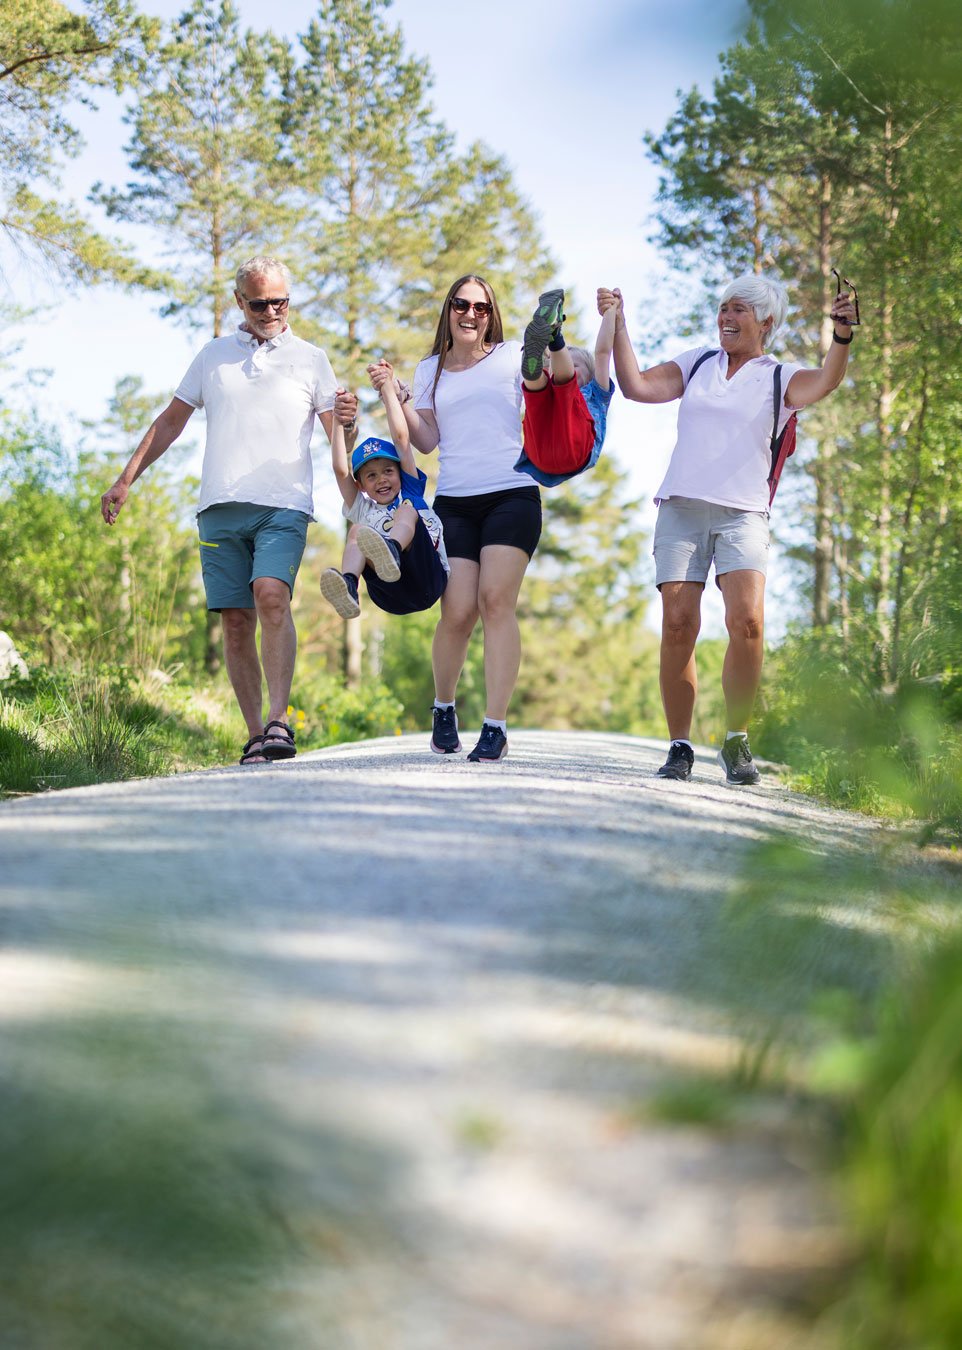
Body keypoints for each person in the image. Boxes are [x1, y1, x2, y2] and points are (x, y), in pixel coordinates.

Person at [599, 272, 857, 786]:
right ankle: (679, 747)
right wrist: (620, 324)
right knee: (677, 624)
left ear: (765, 322)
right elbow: (637, 387)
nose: (726, 317)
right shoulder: (697, 363)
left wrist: (843, 336)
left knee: (749, 623)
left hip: (743, 513)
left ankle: (736, 739)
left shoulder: (780, 378)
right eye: (723, 308)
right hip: (682, 509)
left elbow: (827, 380)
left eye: (738, 309)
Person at [101, 255, 357, 765]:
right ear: (239, 301)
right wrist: (126, 478)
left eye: (281, 301)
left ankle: (280, 720)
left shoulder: (310, 359)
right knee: (236, 621)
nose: (272, 311)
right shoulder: (212, 356)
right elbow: (172, 420)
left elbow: (338, 437)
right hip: (218, 507)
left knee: (270, 596)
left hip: (283, 504)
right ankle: (255, 732)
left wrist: (351, 427)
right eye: (260, 302)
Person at [398, 274, 541, 762]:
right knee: (457, 610)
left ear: (491, 316)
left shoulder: (511, 357)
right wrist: (398, 403)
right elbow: (425, 440)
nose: (471, 314)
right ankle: (443, 708)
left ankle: (496, 726)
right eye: (462, 304)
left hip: (512, 494)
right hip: (455, 500)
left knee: (495, 600)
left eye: (481, 308)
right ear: (448, 310)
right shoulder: (429, 370)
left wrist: (574, 350)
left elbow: (552, 382)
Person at [320, 359, 449, 620]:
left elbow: (401, 440)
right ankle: (348, 585)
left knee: (407, 510)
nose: (381, 480)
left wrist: (388, 390)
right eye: (371, 476)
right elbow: (340, 469)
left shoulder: (410, 493)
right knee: (357, 530)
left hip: (427, 580)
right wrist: (337, 421)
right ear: (361, 485)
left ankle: (392, 548)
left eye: (388, 471)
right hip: (389, 595)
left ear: (399, 472)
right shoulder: (362, 508)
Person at [514, 287, 616, 487]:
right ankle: (547, 342)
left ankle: (553, 337)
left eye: (574, 365)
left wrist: (610, 313)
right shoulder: (554, 386)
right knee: (540, 396)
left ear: (591, 374)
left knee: (560, 389)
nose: (568, 367)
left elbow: (603, 352)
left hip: (573, 449)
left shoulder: (597, 392)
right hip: (541, 453)